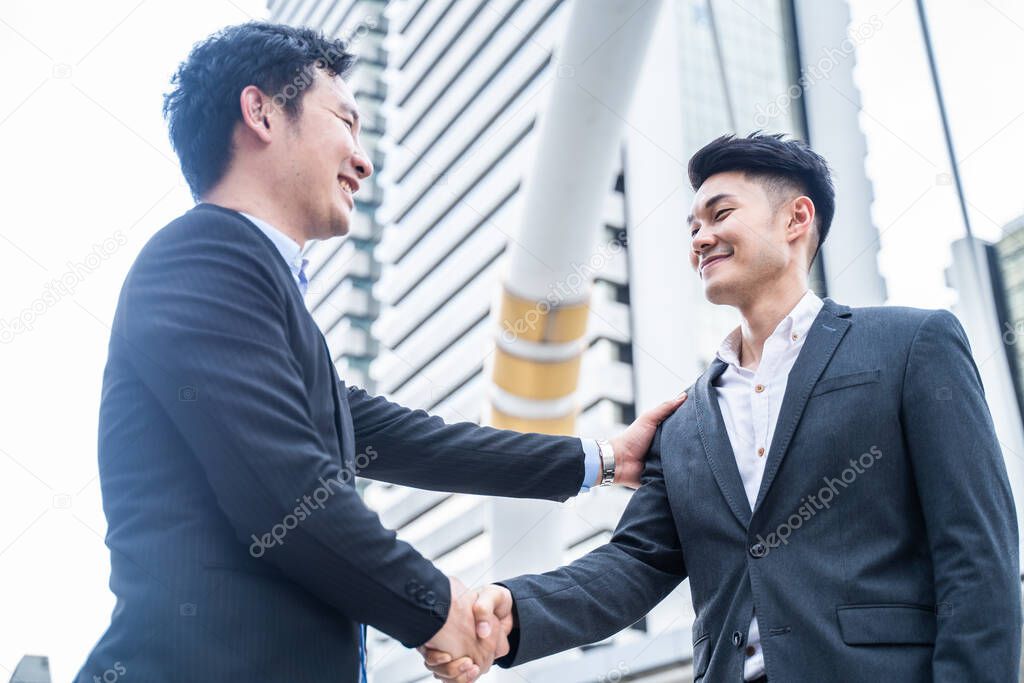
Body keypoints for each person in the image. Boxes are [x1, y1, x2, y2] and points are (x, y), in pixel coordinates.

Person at [75, 23, 686, 683]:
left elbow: (416, 441)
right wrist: (445, 611)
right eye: (345, 121)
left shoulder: (258, 291)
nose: (363, 160)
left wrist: (603, 459)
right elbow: (282, 493)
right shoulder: (200, 259)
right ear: (260, 112)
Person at [424, 132, 1022, 682]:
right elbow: (636, 562)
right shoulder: (684, 421)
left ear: (796, 218)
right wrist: (516, 611)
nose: (700, 237)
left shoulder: (910, 345)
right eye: (691, 227)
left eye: (720, 214)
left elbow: (976, 549)